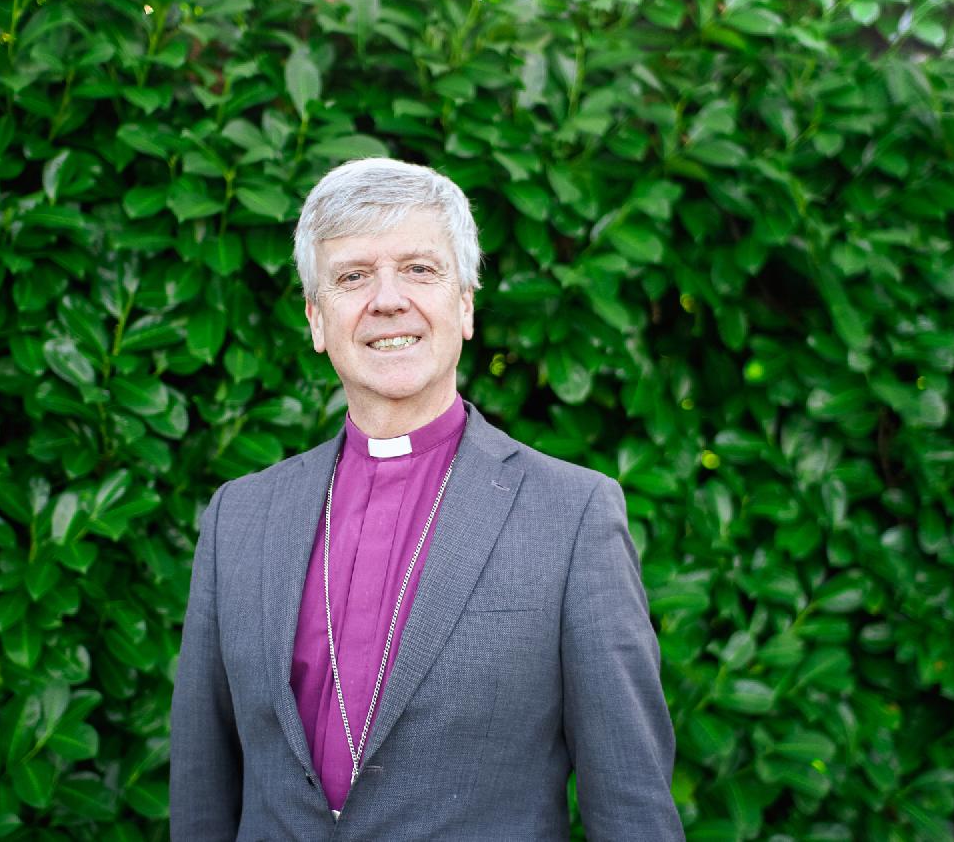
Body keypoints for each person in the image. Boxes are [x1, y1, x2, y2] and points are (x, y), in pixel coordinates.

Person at [170, 158, 683, 840]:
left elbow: (632, 810)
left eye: (419, 269)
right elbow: (203, 792)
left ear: (464, 305)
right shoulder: (241, 517)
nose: (387, 300)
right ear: (318, 321)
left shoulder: (572, 516)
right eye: (353, 276)